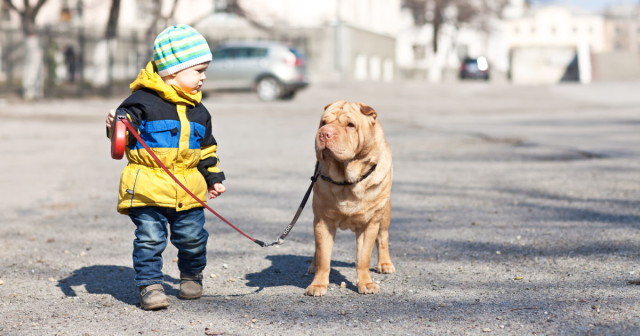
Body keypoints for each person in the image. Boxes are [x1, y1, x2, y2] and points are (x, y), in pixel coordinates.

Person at [105, 24, 225, 310]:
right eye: (198, 70)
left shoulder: (199, 111)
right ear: (173, 71)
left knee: (193, 238)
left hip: (188, 190)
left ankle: (191, 275)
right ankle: (150, 286)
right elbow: (122, 134)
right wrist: (115, 124)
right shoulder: (140, 103)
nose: (203, 77)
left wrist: (213, 177)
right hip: (148, 187)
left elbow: (206, 148)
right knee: (149, 239)